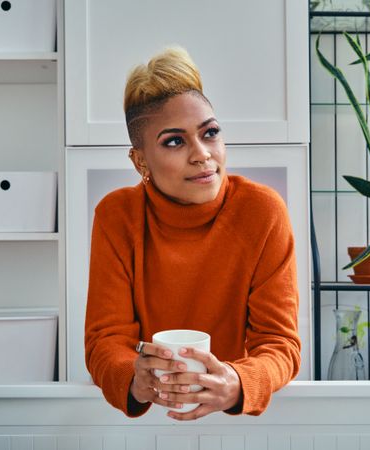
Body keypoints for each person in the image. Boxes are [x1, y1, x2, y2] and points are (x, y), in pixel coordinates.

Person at [84, 47, 300, 421]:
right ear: (140, 161)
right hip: (145, 420)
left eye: (210, 133)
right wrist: (133, 378)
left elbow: (280, 344)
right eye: (174, 141)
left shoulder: (263, 211)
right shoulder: (116, 215)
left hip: (240, 422)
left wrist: (238, 381)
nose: (202, 154)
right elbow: (105, 340)